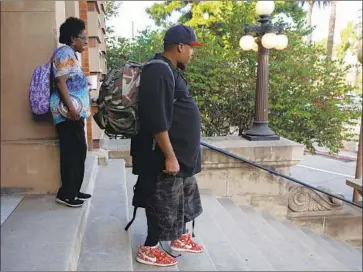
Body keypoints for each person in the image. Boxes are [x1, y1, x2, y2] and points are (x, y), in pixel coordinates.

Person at [130, 24, 205, 267]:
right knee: (162, 200)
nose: (193, 54)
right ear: (180, 47)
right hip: (163, 155)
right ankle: (150, 248)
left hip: (181, 155)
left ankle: (179, 236)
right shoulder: (158, 71)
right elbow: (156, 119)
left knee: (181, 198)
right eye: (191, 48)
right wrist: (170, 156)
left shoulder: (168, 69)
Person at [50, 17, 91, 208]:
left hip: (73, 113)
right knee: (73, 153)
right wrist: (72, 108)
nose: (86, 42)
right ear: (73, 38)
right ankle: (66, 193)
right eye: (83, 38)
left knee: (78, 151)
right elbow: (60, 83)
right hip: (68, 114)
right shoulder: (65, 53)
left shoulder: (69, 54)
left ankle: (74, 189)